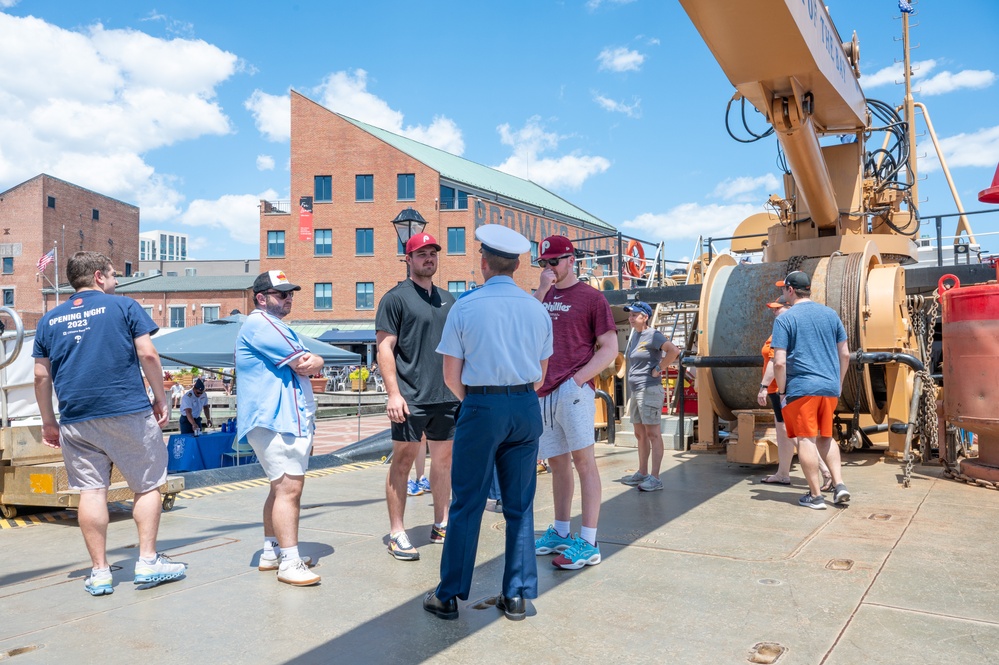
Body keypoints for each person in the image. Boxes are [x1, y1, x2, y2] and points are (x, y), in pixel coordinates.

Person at [32, 251, 187, 596]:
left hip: (76, 418)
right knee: (146, 485)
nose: (117, 281)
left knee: (92, 491)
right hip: (126, 410)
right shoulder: (124, 307)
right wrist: (160, 397)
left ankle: (100, 572)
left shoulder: (49, 320)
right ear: (99, 276)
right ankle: (147, 563)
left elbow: (41, 376)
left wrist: (48, 421)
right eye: (114, 275)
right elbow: (148, 353)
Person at [423, 224, 553, 621]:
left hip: (482, 406)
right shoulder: (537, 308)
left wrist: (478, 402)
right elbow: (542, 374)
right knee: (519, 505)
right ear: (517, 265)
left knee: (467, 503)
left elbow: (450, 375)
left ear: (483, 263)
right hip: (525, 406)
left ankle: (449, 596)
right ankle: (515, 595)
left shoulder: (465, 306)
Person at [533, 235, 618, 570]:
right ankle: (562, 531)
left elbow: (609, 348)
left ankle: (589, 540)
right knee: (557, 463)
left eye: (554, 261)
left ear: (571, 260)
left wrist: (579, 380)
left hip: (571, 390)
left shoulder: (592, 298)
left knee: (584, 462)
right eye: (544, 263)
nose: (549, 268)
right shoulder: (542, 295)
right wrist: (541, 290)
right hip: (544, 390)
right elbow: (526, 329)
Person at [236, 270, 325, 586]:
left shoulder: (272, 325)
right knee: (290, 488)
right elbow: (306, 362)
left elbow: (310, 361)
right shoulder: (263, 324)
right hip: (275, 418)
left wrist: (316, 359)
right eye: (280, 293)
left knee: (278, 487)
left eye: (290, 293)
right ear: (261, 298)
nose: (288, 298)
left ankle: (272, 551)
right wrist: (317, 359)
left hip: (279, 418)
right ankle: (289, 561)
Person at [376, 232, 459, 561]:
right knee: (404, 462)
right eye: (421, 253)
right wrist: (393, 394)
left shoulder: (448, 300)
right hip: (410, 398)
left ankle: (442, 523)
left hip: (447, 396)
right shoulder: (395, 299)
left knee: (444, 462)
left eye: (433, 253)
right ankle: (397, 532)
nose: (429, 258)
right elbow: (385, 348)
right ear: (407, 259)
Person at [771, 271, 852, 510]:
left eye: (784, 289)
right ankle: (839, 485)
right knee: (826, 437)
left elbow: (779, 362)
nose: (783, 293)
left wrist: (783, 390)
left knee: (806, 439)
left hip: (802, 388)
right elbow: (845, 354)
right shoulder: (830, 314)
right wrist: (837, 384)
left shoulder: (785, 319)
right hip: (829, 387)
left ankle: (816, 496)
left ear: (791, 291)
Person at [758, 295, 832, 487]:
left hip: (781, 389)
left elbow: (776, 362)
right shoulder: (783, 328)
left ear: (789, 307)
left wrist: (764, 387)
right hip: (779, 390)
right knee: (784, 434)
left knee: (794, 434)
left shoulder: (785, 329)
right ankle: (783, 473)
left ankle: (825, 471)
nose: (774, 312)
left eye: (777, 308)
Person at [618, 301, 680, 492]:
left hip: (649, 389)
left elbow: (674, 351)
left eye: (634, 315)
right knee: (640, 434)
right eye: (629, 315)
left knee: (653, 433)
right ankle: (643, 473)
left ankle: (655, 478)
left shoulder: (653, 335)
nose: (630, 318)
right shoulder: (635, 336)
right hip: (636, 390)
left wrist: (659, 368)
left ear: (644, 317)